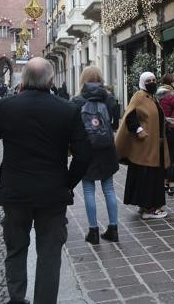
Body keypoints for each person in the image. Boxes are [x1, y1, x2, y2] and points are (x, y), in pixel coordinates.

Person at [0, 57, 91, 304]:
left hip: (15, 191)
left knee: (16, 249)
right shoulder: (68, 109)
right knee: (50, 254)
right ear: (51, 81)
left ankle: (17, 298)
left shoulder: (5, 106)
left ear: (22, 80)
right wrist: (67, 182)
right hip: (53, 193)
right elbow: (84, 154)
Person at [71, 66, 120, 245]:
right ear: (100, 78)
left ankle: (93, 232)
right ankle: (113, 229)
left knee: (89, 190)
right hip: (106, 149)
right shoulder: (110, 99)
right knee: (109, 189)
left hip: (86, 150)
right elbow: (115, 122)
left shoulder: (76, 101)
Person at [116, 71, 171, 220]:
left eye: (154, 80)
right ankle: (150, 208)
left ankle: (146, 205)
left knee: (152, 176)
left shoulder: (152, 97)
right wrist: (138, 130)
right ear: (142, 82)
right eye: (148, 80)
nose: (152, 82)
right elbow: (130, 116)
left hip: (155, 146)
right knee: (147, 177)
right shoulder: (139, 96)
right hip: (146, 147)